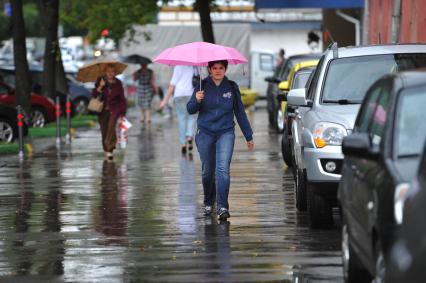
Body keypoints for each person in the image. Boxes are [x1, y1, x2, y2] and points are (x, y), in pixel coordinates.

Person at [187, 60, 254, 221]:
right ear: (209, 69)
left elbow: (240, 112)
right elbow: (190, 109)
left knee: (223, 169)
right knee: (207, 171)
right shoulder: (202, 86)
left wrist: (248, 135)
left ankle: (223, 206)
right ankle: (209, 202)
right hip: (205, 133)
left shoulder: (231, 86)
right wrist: (196, 100)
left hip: (226, 132)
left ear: (225, 69)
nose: (218, 71)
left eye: (221, 68)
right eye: (214, 68)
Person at [92, 64, 127, 161]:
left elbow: (122, 98)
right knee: (104, 130)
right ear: (105, 72)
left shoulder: (118, 83)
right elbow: (94, 94)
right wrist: (100, 86)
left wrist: (123, 111)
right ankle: (106, 148)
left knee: (111, 128)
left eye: (112, 71)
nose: (110, 73)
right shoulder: (101, 80)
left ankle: (109, 150)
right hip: (102, 110)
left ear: (115, 72)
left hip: (114, 109)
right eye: (108, 71)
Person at [159, 65, 197, 154]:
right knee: (192, 116)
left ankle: (183, 143)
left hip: (179, 95)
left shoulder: (178, 66)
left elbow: (172, 85)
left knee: (181, 118)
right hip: (191, 94)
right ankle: (189, 136)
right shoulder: (195, 66)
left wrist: (165, 100)